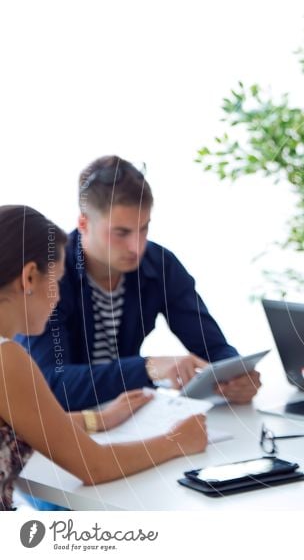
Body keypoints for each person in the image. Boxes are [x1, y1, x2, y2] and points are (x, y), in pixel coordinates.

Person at [0, 205, 207, 511]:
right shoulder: (6, 358)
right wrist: (177, 440)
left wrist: (98, 419)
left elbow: (29, 421)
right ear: (29, 277)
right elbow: (94, 466)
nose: (58, 296)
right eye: (55, 280)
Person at [18, 155, 261, 411]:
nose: (137, 247)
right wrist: (149, 368)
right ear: (83, 223)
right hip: (64, 429)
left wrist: (237, 376)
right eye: (121, 233)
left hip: (131, 419)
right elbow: (50, 385)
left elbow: (212, 348)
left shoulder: (160, 265)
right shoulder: (50, 276)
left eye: (143, 229)